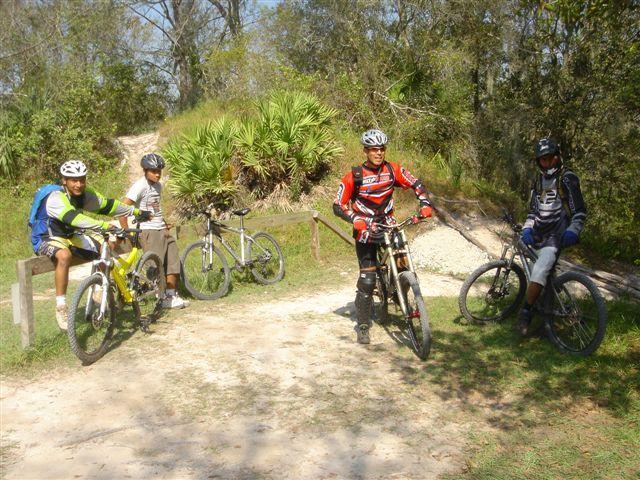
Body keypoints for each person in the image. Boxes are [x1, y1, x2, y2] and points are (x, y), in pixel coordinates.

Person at [333, 129, 433, 344]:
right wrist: (354, 219)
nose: (378, 153)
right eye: (374, 150)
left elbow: (416, 183)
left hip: (389, 225)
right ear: (366, 151)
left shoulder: (392, 170)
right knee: (367, 280)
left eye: (382, 149)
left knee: (404, 264)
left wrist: (425, 203)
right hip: (365, 230)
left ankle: (402, 292)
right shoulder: (355, 176)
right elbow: (337, 205)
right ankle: (362, 325)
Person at [38, 160, 149, 331]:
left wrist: (136, 211)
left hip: (71, 234)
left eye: (82, 179)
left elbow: (109, 206)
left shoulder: (84, 195)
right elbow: (74, 219)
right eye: (73, 180)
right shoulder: (55, 197)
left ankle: (99, 288)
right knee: (64, 255)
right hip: (46, 236)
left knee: (103, 248)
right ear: (64, 181)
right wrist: (104, 226)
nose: (79, 184)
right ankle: (61, 307)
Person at [517, 138, 587, 335]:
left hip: (556, 235)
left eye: (550, 159)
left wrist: (574, 230)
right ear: (538, 161)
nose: (547, 163)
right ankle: (546, 315)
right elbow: (533, 212)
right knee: (536, 274)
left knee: (539, 271)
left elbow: (579, 211)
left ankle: (525, 312)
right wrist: (527, 229)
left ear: (557, 157)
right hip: (538, 233)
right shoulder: (538, 181)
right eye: (542, 160)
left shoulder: (567, 178)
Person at [119, 153, 188, 309]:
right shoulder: (140, 186)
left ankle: (170, 295)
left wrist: (164, 223)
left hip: (161, 228)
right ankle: (159, 296)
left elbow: (156, 208)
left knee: (172, 260)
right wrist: (126, 231)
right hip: (148, 230)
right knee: (155, 265)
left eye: (159, 171)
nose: (157, 174)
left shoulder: (158, 185)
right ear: (145, 170)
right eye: (153, 171)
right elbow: (123, 208)